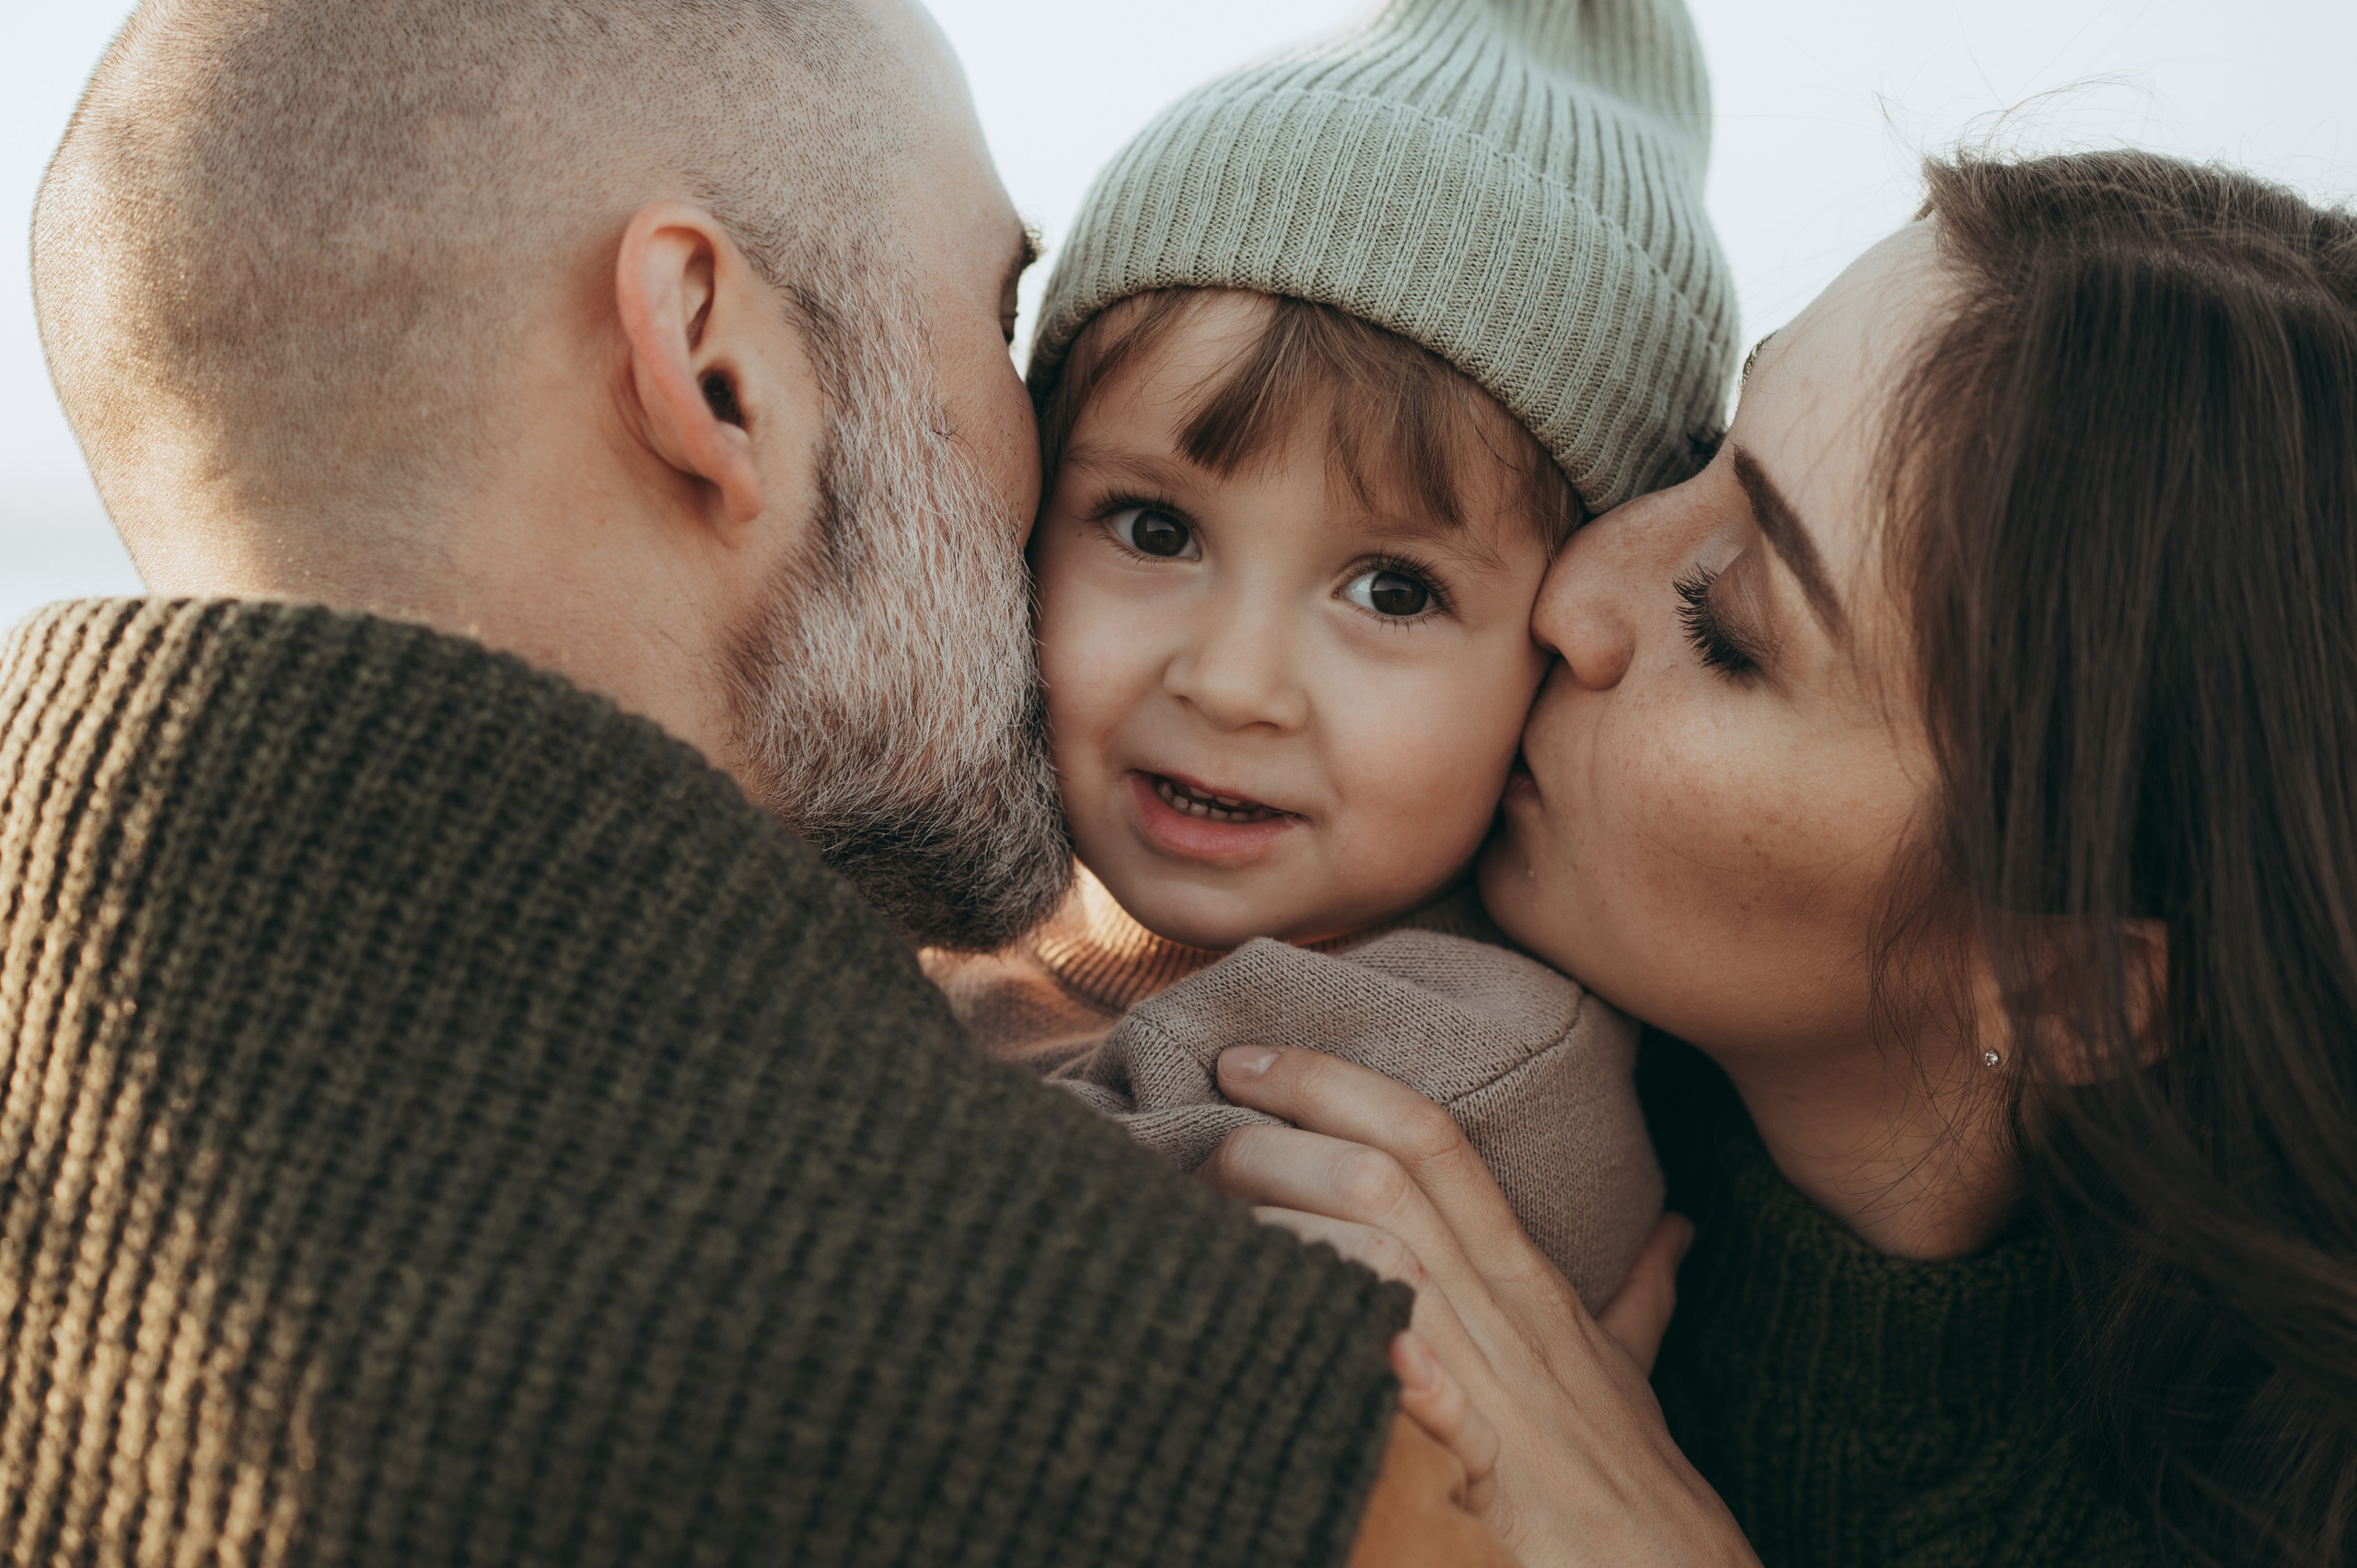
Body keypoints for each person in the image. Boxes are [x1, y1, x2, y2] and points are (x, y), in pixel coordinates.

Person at [2, 0, 1678, 1558]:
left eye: (1392, 589)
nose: (1227, 679)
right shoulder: (1092, 1374)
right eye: (994, 312)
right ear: (714, 371)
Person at [1196, 147, 2357, 1568]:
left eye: (1728, 621)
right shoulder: (1411, 1037)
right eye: (1701, 457)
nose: (1572, 592)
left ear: (2074, 995)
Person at [923, 0, 1734, 1311]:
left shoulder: (1466, 1065)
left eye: (1394, 590)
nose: (1232, 682)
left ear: (1562, 650)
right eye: (1155, 527)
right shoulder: (971, 906)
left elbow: (939, 1284)